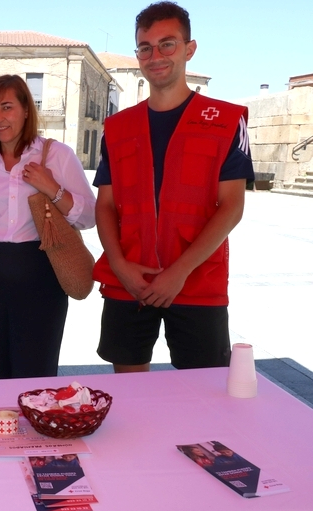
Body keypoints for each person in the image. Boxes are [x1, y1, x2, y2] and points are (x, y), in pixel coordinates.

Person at [92, 2, 254, 373]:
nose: (156, 55)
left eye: (167, 44)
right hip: (130, 279)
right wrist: (118, 265)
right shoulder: (116, 128)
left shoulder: (226, 121)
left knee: (203, 396)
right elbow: (105, 205)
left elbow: (232, 207)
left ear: (189, 48)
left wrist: (179, 272)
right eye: (145, 47)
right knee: (130, 395)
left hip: (198, 280)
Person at [0, 75, 96, 380]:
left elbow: (89, 217)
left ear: (26, 110)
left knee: (35, 371)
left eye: (7, 107)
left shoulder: (57, 155)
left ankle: (33, 429)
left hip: (39, 274)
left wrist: (53, 188)